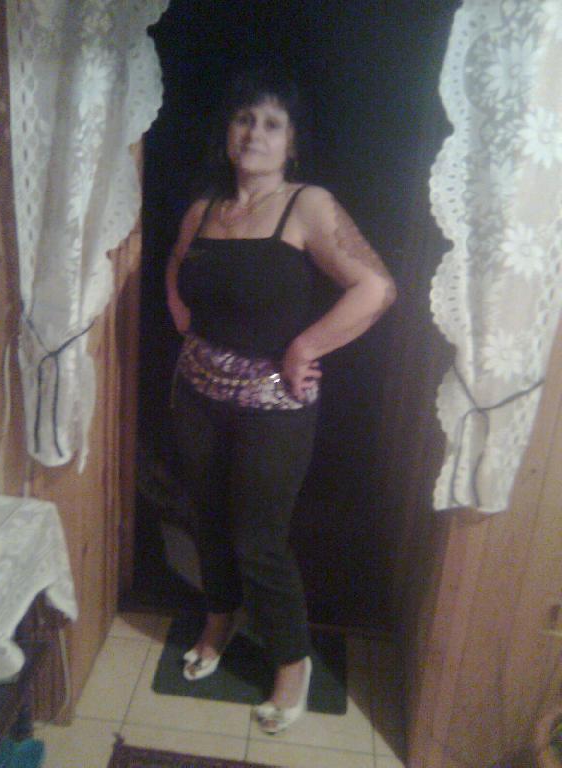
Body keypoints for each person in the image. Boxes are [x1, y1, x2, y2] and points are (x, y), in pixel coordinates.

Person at [165, 68, 396, 735]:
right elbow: (176, 265)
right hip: (196, 393)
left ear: (292, 142)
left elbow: (376, 288)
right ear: (228, 130)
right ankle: (220, 618)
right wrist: (183, 317)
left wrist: (305, 348)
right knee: (206, 518)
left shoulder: (308, 205)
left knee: (258, 539)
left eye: (272, 123)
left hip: (275, 405)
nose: (254, 134)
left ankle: (292, 662)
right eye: (244, 118)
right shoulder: (204, 208)